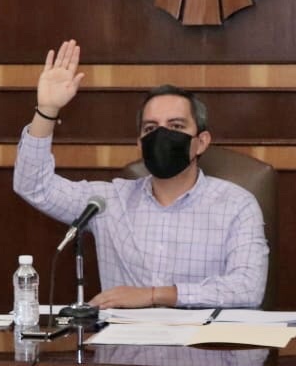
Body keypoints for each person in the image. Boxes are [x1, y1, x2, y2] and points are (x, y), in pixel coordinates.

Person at [13, 39, 268, 309]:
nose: (161, 135)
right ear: (140, 144)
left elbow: (248, 288)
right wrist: (47, 111)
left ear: (201, 142)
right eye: (150, 129)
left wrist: (155, 295)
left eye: (176, 126)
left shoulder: (236, 204)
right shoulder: (107, 202)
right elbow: (33, 185)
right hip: (122, 336)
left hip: (202, 335)